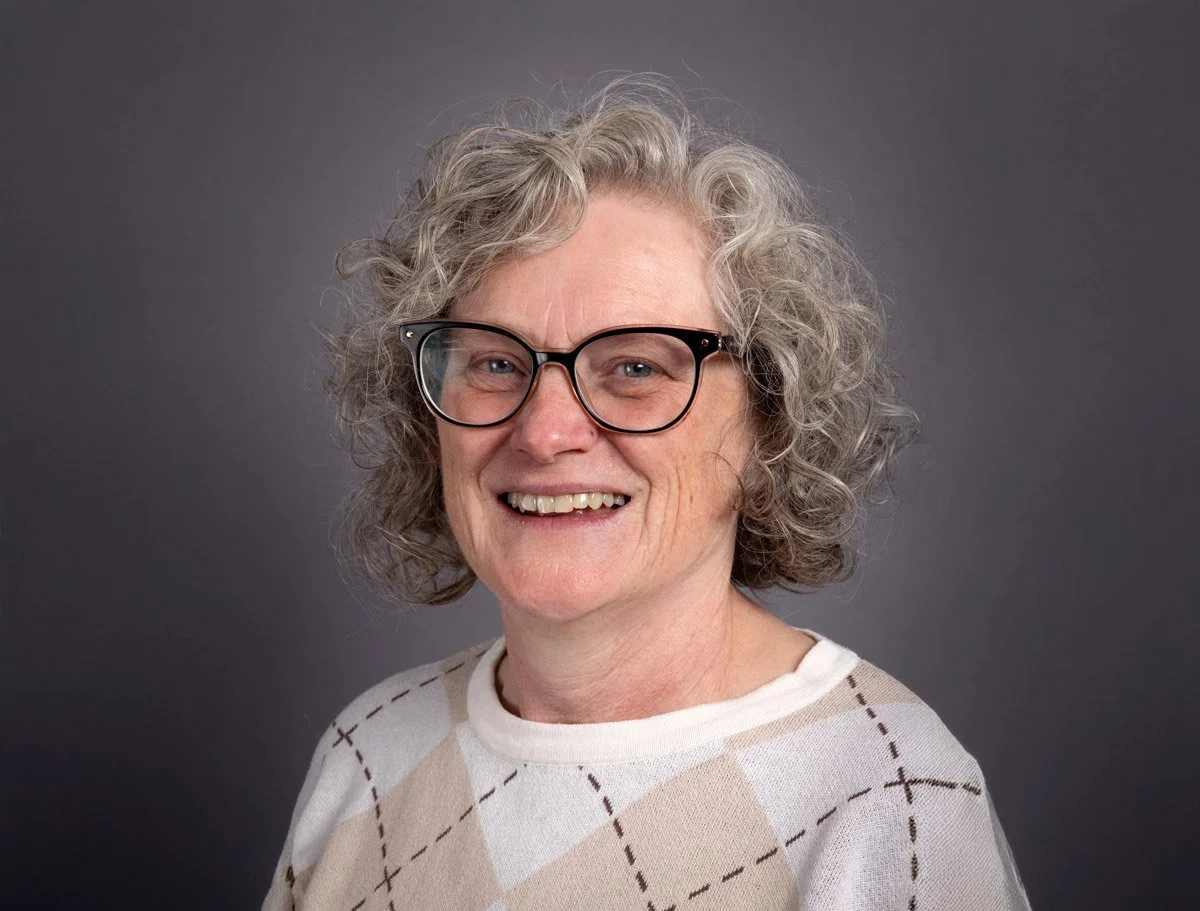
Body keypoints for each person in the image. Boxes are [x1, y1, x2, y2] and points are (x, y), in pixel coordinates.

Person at [263, 76, 1031, 910]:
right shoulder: (366, 755)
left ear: (773, 419)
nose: (545, 432)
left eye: (635, 366)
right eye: (493, 361)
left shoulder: (890, 803)